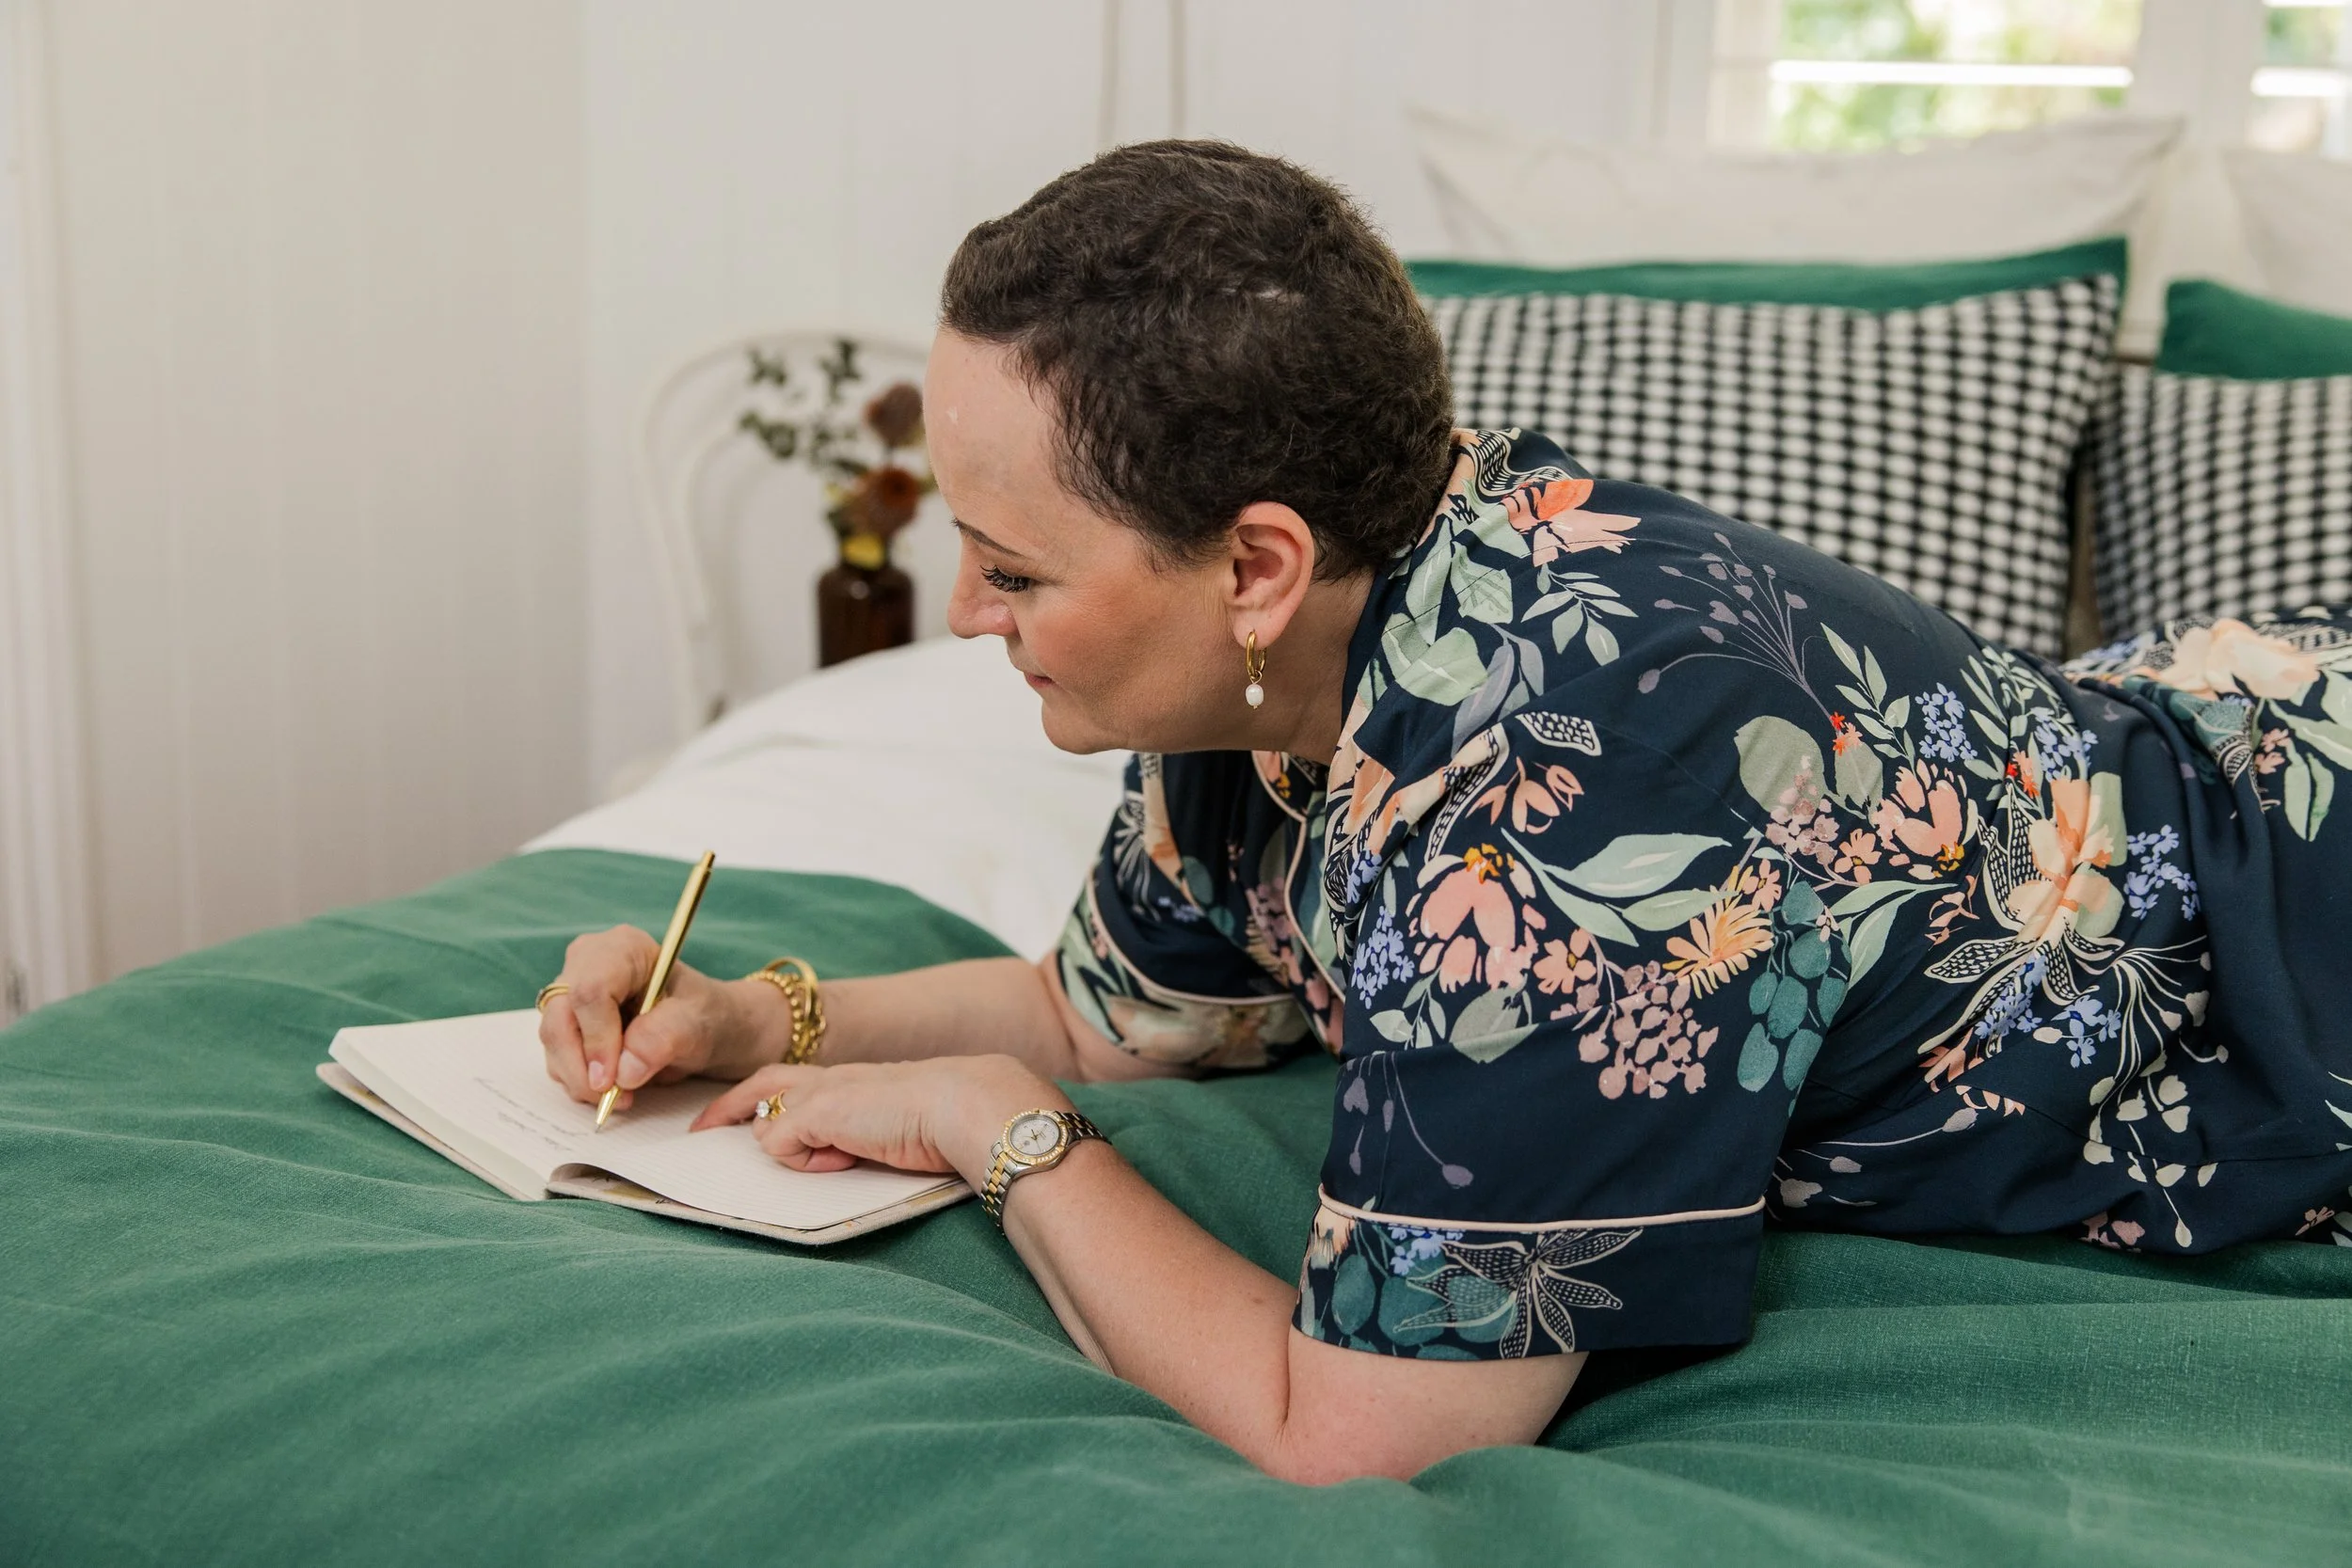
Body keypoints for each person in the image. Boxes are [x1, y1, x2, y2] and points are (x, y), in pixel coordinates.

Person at [536, 141, 2352, 1483]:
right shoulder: (1273, 667)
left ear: (1254, 564)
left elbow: (1350, 1438)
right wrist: (759, 1016)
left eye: (1014, 567)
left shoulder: (1558, 824)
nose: (961, 615)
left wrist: (996, 1132)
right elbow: (1105, 1011)